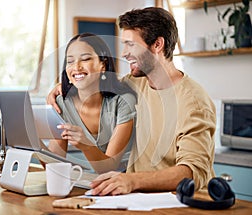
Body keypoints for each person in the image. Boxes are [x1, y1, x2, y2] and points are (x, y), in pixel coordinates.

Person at [47, 7, 216, 195]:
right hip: (137, 198)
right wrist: (59, 89)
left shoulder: (193, 102)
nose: (125, 53)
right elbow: (97, 84)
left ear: (157, 45)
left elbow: (192, 172)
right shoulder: (134, 84)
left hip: (180, 202)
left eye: (131, 45)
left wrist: (131, 180)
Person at [48, 33, 137, 174]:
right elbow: (54, 164)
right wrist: (34, 144)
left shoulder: (123, 102)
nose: (76, 67)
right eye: (70, 61)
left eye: (85, 59)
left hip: (130, 180)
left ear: (103, 64)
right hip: (98, 182)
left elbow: (109, 167)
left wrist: (86, 146)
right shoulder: (61, 104)